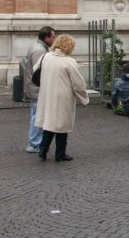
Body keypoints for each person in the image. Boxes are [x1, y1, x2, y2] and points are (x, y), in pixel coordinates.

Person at [35, 34, 89, 162]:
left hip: (47, 94)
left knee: (49, 123)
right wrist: (84, 98)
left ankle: (43, 149)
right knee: (62, 126)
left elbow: (35, 69)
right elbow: (78, 83)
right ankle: (60, 153)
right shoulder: (69, 62)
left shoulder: (46, 56)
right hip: (62, 97)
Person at [22, 26, 55, 153]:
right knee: (37, 116)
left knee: (35, 114)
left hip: (34, 88)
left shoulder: (37, 46)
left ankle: (35, 142)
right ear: (46, 38)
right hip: (37, 89)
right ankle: (34, 143)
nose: (54, 39)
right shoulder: (39, 51)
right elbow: (39, 73)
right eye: (52, 36)